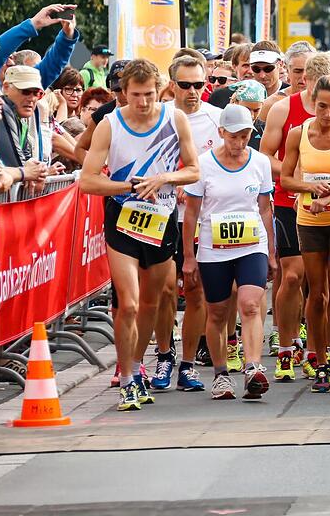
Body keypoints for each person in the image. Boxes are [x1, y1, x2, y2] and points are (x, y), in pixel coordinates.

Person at [79, 59, 199, 411]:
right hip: (122, 218)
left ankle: (136, 366)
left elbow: (193, 170)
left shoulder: (174, 119)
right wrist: (126, 185)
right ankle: (128, 376)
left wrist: (163, 179)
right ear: (123, 92)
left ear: (159, 90)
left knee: (152, 302)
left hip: (160, 219)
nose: (143, 102)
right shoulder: (110, 125)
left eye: (148, 95)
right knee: (128, 304)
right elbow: (87, 180)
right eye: (135, 95)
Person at [181, 105, 277, 400]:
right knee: (219, 312)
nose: (240, 143)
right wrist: (188, 256)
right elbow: (191, 213)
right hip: (214, 249)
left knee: (249, 304)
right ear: (221, 133)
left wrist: (272, 251)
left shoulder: (260, 162)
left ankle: (253, 368)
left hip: (252, 246)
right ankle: (221, 374)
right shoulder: (204, 165)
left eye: (246, 136)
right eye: (234, 136)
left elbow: (264, 208)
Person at [279, 76, 330, 393]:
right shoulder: (299, 134)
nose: (329, 114)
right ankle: (321, 361)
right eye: (323, 107)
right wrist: (309, 188)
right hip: (309, 220)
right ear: (313, 103)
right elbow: (286, 179)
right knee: (317, 293)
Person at [151, 56, 222, 393]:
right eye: (186, 85)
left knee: (197, 293)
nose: (194, 91)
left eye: (199, 84)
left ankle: (188, 365)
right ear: (171, 84)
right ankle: (164, 354)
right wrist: (170, 183)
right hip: (162, 218)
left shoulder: (216, 119)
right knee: (164, 292)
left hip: (201, 219)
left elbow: (226, 167)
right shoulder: (156, 116)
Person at [262, 53, 330, 373]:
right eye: (314, 95)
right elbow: (264, 156)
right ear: (305, 82)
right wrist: (301, 179)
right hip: (288, 199)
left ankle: (321, 349)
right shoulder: (283, 109)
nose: (322, 106)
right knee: (292, 275)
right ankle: (286, 345)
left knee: (325, 282)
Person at [0, 4, 81, 88]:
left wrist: (67, 35)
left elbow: (52, 65)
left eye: (36, 93)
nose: (32, 97)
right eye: (6, 59)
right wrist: (34, 23)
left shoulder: (29, 85)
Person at [0, 66, 53, 187]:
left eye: (37, 93)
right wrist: (29, 173)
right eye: (26, 91)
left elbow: (27, 160)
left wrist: (38, 169)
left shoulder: (21, 119)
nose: (32, 98)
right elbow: (15, 163)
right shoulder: (2, 110)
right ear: (6, 88)